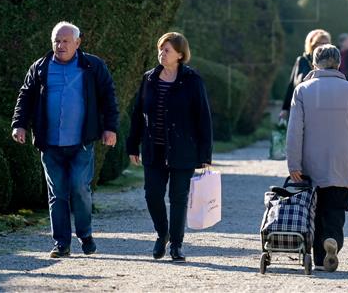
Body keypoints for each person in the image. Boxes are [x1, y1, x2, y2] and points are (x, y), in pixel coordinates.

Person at [11, 21, 119, 258]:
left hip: (81, 143)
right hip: (50, 145)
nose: (60, 46)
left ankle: (85, 234)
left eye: (65, 41)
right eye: (56, 41)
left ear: (77, 43)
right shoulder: (40, 67)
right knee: (57, 193)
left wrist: (110, 128)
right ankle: (61, 243)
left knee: (80, 188)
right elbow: (25, 96)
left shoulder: (93, 66)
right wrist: (19, 124)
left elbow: (108, 97)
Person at [126, 32, 212, 262]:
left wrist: (205, 154)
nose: (161, 54)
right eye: (160, 49)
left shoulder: (192, 80)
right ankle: (161, 232)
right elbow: (137, 114)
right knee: (152, 195)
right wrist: (132, 145)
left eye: (167, 51)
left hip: (183, 149)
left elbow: (203, 117)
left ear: (180, 55)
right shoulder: (149, 78)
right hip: (154, 148)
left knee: (178, 197)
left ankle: (176, 244)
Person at [286, 44, 348, 272]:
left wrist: (293, 163)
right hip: (342, 164)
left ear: (314, 64)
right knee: (335, 211)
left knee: (312, 212)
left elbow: (295, 130)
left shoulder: (302, 90)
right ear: (339, 63)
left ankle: (319, 257)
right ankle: (332, 240)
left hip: (310, 166)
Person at [280, 29, 331, 120]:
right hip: (302, 107)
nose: (325, 47)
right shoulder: (302, 61)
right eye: (321, 43)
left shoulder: (331, 63)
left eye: (327, 44)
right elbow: (291, 86)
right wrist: (284, 108)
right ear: (313, 45)